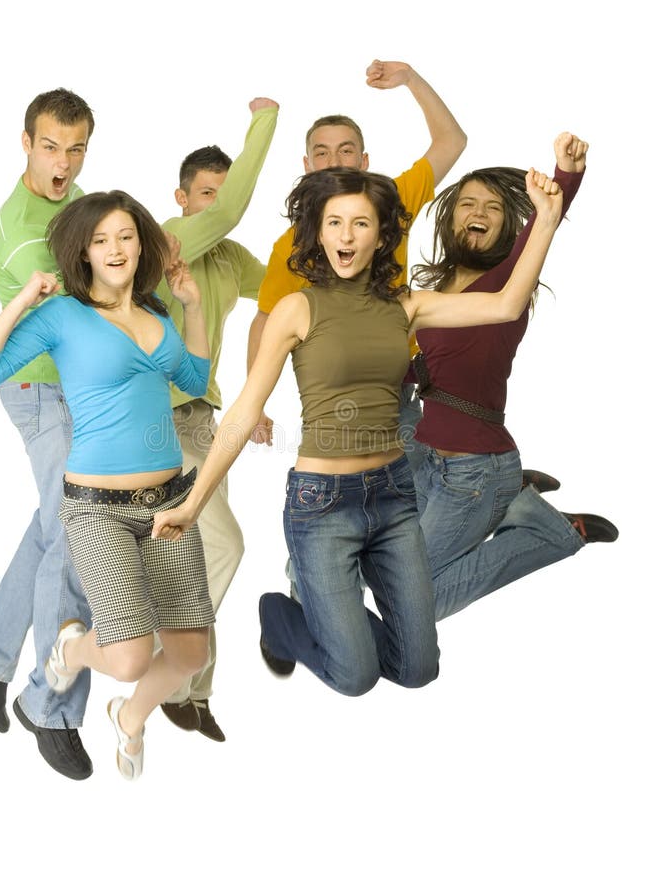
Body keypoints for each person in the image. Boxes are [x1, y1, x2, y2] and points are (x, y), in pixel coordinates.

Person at [153, 163, 566, 696]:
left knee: (418, 670)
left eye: (361, 224)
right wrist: (190, 503)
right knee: (356, 675)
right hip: (321, 504)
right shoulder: (297, 310)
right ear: (318, 232)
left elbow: (505, 303)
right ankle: (281, 616)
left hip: (393, 499)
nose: (346, 236)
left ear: (381, 235)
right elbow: (238, 416)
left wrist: (548, 221)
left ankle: (336, 620)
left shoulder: (405, 306)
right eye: (334, 223)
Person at [0, 190, 214, 780]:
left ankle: (128, 719)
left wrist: (192, 307)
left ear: (142, 243)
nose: (116, 248)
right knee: (125, 658)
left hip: (171, 503)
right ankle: (70, 648)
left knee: (189, 656)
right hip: (98, 509)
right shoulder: (63, 316)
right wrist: (24, 299)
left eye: (126, 235)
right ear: (84, 252)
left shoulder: (157, 313)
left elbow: (195, 377)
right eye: (101, 240)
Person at [407, 133, 618, 623]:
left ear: (506, 225)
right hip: (423, 453)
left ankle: (548, 531)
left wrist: (566, 173)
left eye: (493, 207)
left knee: (417, 603)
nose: (477, 211)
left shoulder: (504, 281)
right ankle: (513, 494)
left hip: (474, 468)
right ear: (450, 216)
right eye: (467, 203)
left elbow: (545, 224)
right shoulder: (427, 292)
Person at [0, 88, 97, 780]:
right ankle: (53, 707)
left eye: (76, 149)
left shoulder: (74, 201)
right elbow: (77, 310)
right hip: (44, 391)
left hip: (76, 390)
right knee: (80, 538)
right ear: (25, 142)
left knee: (53, 529)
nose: (64, 162)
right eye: (50, 146)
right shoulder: (21, 233)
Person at [246, 59, 467, 453]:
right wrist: (254, 403)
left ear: (364, 162)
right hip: (334, 399)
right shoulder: (290, 244)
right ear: (307, 165)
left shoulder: (393, 201)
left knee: (426, 489)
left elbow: (452, 142)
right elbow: (264, 320)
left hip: (402, 388)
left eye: (346, 151)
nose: (334, 162)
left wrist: (411, 80)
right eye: (322, 153)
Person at [155, 97, 279, 742]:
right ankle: (170, 678)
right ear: (182, 199)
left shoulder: (229, 259)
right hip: (162, 424)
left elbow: (288, 292)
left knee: (206, 552)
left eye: (222, 196)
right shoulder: (164, 244)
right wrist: (266, 120)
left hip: (208, 422)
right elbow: (233, 210)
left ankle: (195, 692)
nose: (220, 208)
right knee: (226, 545)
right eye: (208, 194)